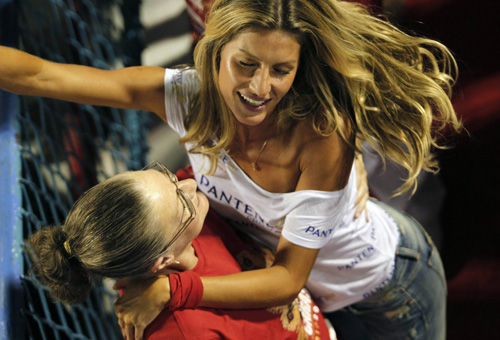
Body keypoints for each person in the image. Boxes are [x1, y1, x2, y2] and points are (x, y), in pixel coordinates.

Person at [1, 0, 461, 339]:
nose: (261, 88)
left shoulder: (321, 137)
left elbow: (287, 279)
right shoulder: (183, 97)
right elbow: (43, 76)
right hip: (314, 295)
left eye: (281, 70)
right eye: (246, 65)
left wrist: (173, 291)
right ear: (215, 51)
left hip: (388, 291)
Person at [26, 163, 335, 340]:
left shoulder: (187, 213)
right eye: (182, 201)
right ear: (162, 260)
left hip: (326, 318)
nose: (189, 184)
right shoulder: (178, 333)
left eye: (169, 177)